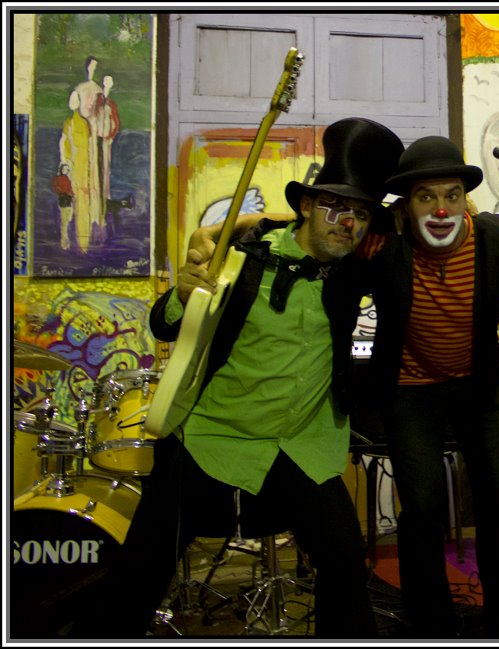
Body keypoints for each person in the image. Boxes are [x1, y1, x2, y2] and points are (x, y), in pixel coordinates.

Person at [70, 117, 404, 639]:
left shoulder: (354, 270)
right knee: (141, 570)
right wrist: (184, 291)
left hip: (302, 445)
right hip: (214, 436)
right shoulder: (241, 257)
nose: (347, 222)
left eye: (360, 214)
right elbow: (164, 324)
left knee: (344, 563)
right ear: (307, 206)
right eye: (334, 206)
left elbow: (420, 226)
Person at [355, 136, 499, 638]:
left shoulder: (498, 238)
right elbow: (320, 231)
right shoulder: (383, 243)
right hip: (410, 388)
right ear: (405, 205)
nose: (440, 209)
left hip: (480, 384)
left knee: (498, 500)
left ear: (465, 200)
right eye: (426, 197)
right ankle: (429, 622)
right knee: (423, 508)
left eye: (451, 195)